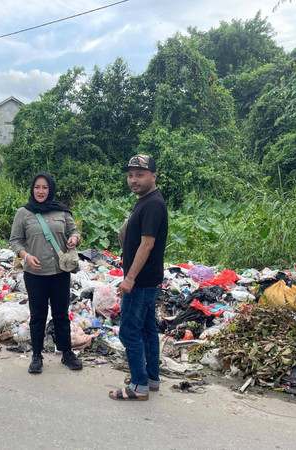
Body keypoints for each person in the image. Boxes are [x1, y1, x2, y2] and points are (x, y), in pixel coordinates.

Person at [10, 172, 83, 374]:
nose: (40, 191)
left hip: (60, 272)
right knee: (38, 315)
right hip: (35, 273)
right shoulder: (23, 213)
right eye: (37, 187)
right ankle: (36, 355)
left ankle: (67, 353)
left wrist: (74, 240)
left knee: (61, 314)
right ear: (32, 189)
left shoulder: (61, 211)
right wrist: (26, 256)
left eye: (44, 187)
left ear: (50, 189)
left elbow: (75, 231)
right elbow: (15, 241)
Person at [109, 154, 168, 401]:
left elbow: (146, 245)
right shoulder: (146, 200)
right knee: (146, 331)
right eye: (131, 175)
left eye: (140, 175)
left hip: (141, 282)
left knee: (129, 332)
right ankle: (150, 379)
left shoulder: (152, 204)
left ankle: (138, 386)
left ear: (153, 176)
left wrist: (129, 279)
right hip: (148, 280)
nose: (134, 180)